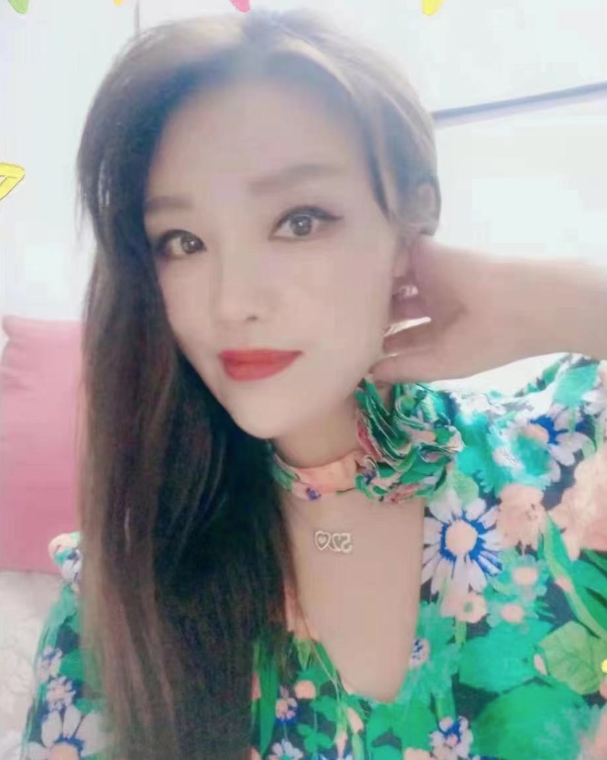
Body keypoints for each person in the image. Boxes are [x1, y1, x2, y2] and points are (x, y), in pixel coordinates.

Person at [19, 8, 607, 760]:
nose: (233, 302)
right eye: (183, 242)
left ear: (412, 217)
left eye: (299, 221)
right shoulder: (116, 606)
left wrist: (561, 302)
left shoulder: (568, 458)